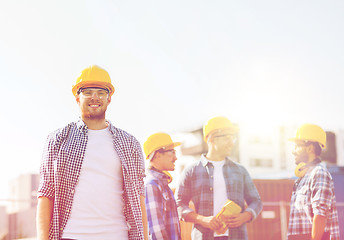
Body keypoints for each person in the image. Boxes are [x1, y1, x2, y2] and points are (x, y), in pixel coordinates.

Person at [36, 65, 148, 240]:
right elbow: (46, 194)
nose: (95, 97)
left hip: (117, 235)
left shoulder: (130, 143)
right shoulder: (58, 140)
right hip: (71, 236)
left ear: (109, 99)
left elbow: (139, 197)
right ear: (77, 98)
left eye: (101, 92)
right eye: (88, 92)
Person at [175, 116, 263, 240]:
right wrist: (202, 219)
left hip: (237, 236)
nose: (231, 142)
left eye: (233, 138)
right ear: (211, 139)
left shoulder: (240, 171)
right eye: (227, 138)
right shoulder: (191, 171)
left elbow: (256, 201)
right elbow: (178, 205)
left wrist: (245, 216)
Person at [287, 124, 340, 240]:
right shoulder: (303, 177)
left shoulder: (319, 174)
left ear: (310, 148)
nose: (293, 151)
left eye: (297, 146)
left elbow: (320, 215)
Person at [143, 132, 182, 240]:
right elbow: (156, 231)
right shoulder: (152, 185)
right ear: (157, 155)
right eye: (172, 152)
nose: (176, 158)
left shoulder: (162, 184)